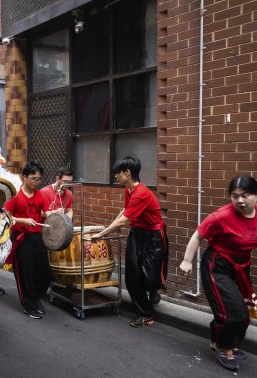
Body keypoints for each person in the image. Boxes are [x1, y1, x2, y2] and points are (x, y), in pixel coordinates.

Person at [179, 176, 257, 372]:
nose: (240, 201)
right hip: (218, 265)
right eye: (234, 196)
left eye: (245, 195)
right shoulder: (221, 216)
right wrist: (187, 261)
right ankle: (224, 347)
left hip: (241, 267)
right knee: (234, 312)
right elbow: (198, 235)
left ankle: (218, 340)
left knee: (246, 311)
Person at [91, 156, 168, 327]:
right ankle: (146, 313)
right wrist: (112, 224)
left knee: (149, 274)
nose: (115, 176)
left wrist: (102, 234)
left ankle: (153, 290)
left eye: (118, 173)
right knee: (133, 275)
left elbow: (122, 220)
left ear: (127, 172)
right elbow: (125, 211)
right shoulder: (128, 190)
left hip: (153, 236)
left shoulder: (141, 193)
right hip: (138, 233)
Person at [5, 161, 58, 319]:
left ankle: (35, 297)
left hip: (37, 236)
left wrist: (55, 219)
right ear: (24, 177)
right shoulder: (15, 195)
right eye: (34, 178)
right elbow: (5, 216)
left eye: (39, 179)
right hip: (21, 238)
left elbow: (48, 213)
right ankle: (28, 305)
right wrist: (23, 221)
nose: (37, 182)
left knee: (44, 272)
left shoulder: (40, 194)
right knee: (25, 273)